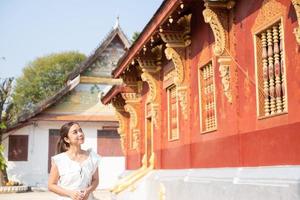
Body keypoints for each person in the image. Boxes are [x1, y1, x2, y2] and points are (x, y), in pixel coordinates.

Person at [48, 122, 100, 200]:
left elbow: (95, 180)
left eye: (80, 130)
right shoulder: (59, 160)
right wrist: (70, 194)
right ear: (66, 139)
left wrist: (88, 190)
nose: (80, 134)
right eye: (75, 132)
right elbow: (51, 185)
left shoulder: (92, 157)